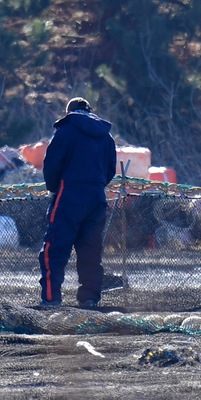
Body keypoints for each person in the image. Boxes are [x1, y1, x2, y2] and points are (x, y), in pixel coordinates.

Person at [40, 98, 118, 309]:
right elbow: (110, 169)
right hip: (97, 197)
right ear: (89, 111)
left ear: (70, 111)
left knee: (54, 248)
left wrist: (54, 187)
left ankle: (51, 298)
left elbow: (52, 165)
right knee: (90, 250)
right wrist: (97, 183)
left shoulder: (65, 131)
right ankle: (89, 299)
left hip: (69, 194)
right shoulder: (106, 136)